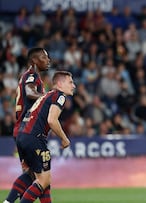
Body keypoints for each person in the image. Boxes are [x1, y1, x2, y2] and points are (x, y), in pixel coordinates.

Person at [15, 71, 75, 203]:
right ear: (59, 84)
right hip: (34, 138)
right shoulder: (60, 96)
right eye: (70, 82)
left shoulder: (47, 95)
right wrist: (64, 139)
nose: (74, 85)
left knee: (44, 180)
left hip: (22, 136)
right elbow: (52, 120)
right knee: (44, 180)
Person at [4, 47, 50, 203]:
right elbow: (30, 92)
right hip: (29, 131)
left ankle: (8, 202)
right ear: (34, 61)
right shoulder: (31, 76)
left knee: (32, 175)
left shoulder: (31, 76)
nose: (48, 60)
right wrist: (47, 97)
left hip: (22, 131)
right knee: (43, 176)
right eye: (44, 57)